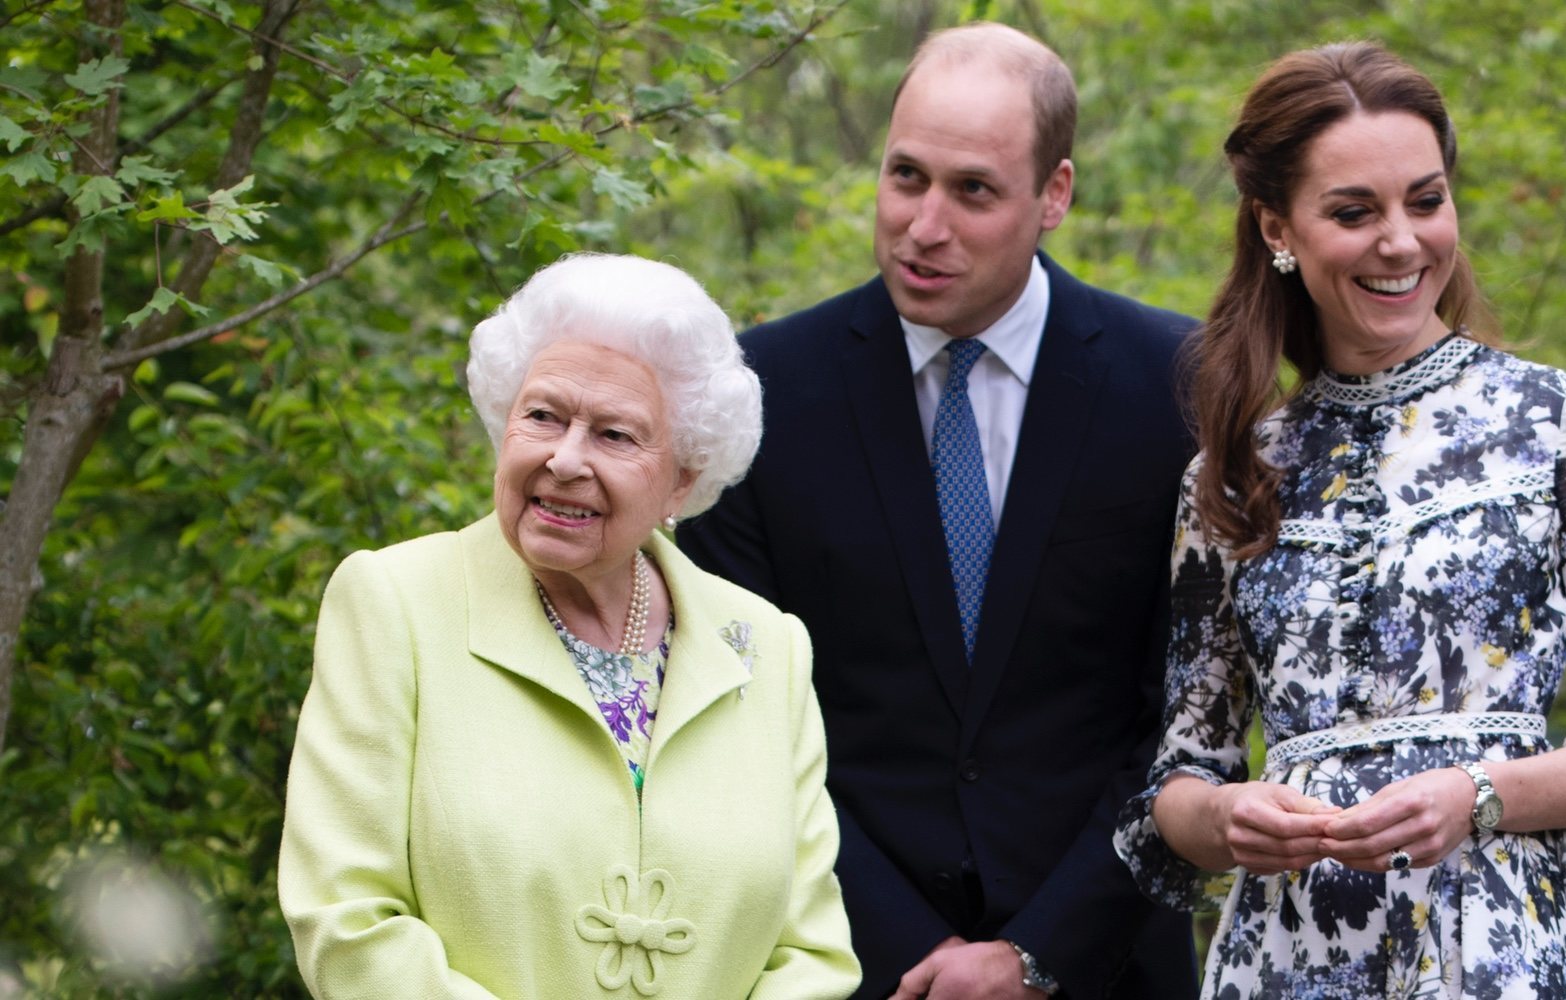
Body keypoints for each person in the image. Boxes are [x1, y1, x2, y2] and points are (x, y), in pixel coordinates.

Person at [1112, 42, 1566, 997]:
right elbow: (1180, 779)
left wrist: (1480, 795)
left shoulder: (1563, 424)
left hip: (1507, 951)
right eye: (1355, 212)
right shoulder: (1229, 473)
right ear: (1279, 226)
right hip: (1287, 957)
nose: (1401, 242)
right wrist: (1227, 818)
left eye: (1425, 202)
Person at [676, 22, 1199, 1000]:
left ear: (1055, 196)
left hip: (1109, 965)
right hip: (836, 962)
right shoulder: (755, 395)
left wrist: (1039, 952)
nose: (922, 224)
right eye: (904, 176)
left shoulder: (1176, 387)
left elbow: (1184, 719)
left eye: (972, 191)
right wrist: (906, 956)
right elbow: (738, 715)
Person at [278, 254, 860, 999]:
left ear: (684, 476)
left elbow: (812, 954)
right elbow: (349, 922)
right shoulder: (394, 602)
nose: (564, 458)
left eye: (615, 435)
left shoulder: (766, 646)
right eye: (544, 415)